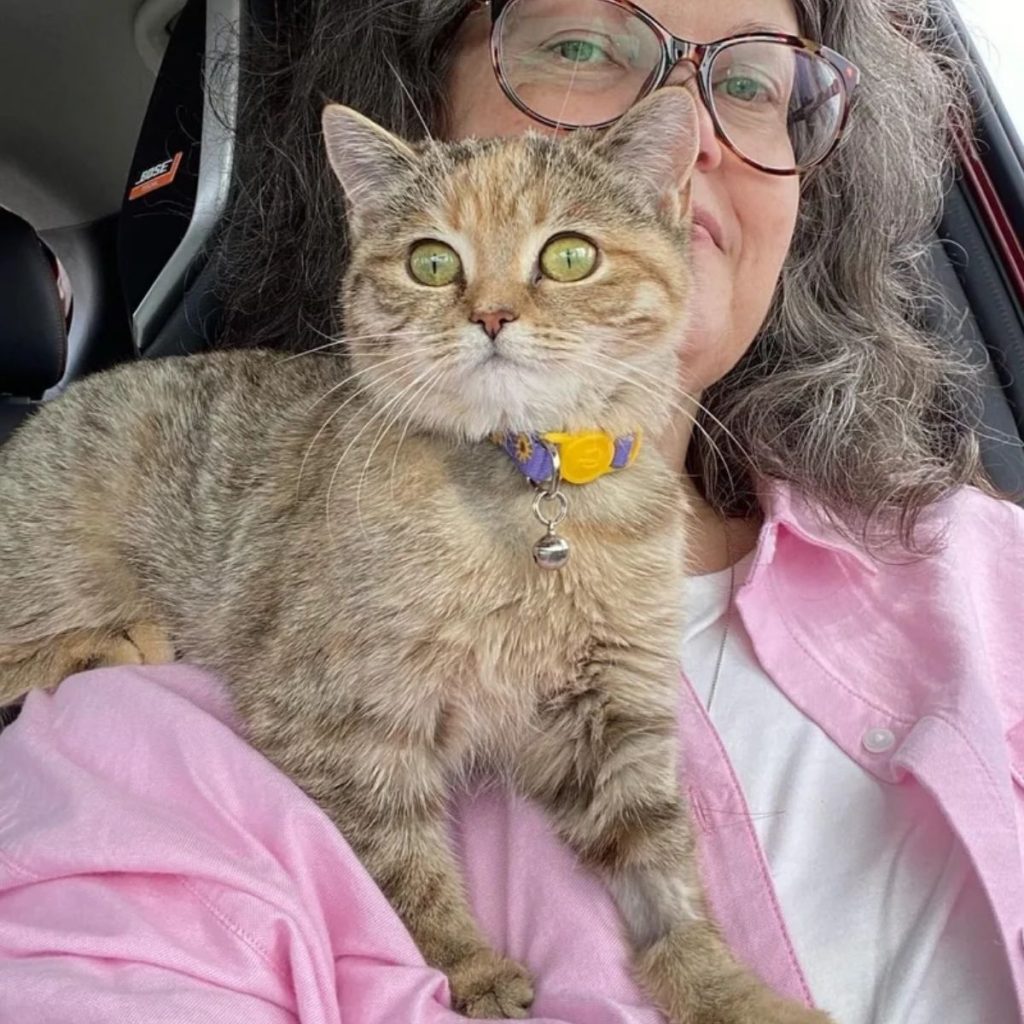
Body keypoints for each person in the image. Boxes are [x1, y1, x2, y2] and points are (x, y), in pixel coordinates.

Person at [0, 1, 1021, 1022]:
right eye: (577, 45)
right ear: (426, 101)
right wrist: (450, 952)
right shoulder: (126, 741)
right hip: (106, 517)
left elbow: (616, 781)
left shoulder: (986, 568)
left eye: (751, 83)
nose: (492, 311)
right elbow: (300, 762)